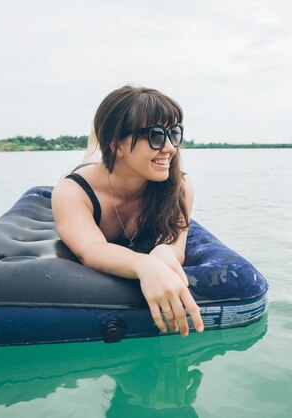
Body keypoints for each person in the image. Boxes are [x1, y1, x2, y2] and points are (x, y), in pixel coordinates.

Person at [52, 85, 204, 337]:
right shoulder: (72, 193)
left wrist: (165, 253)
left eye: (174, 133)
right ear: (116, 144)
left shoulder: (181, 187)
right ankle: (93, 142)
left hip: (115, 162)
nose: (169, 148)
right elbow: (91, 250)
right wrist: (144, 265)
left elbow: (176, 244)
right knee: (88, 157)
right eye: (156, 136)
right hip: (94, 174)